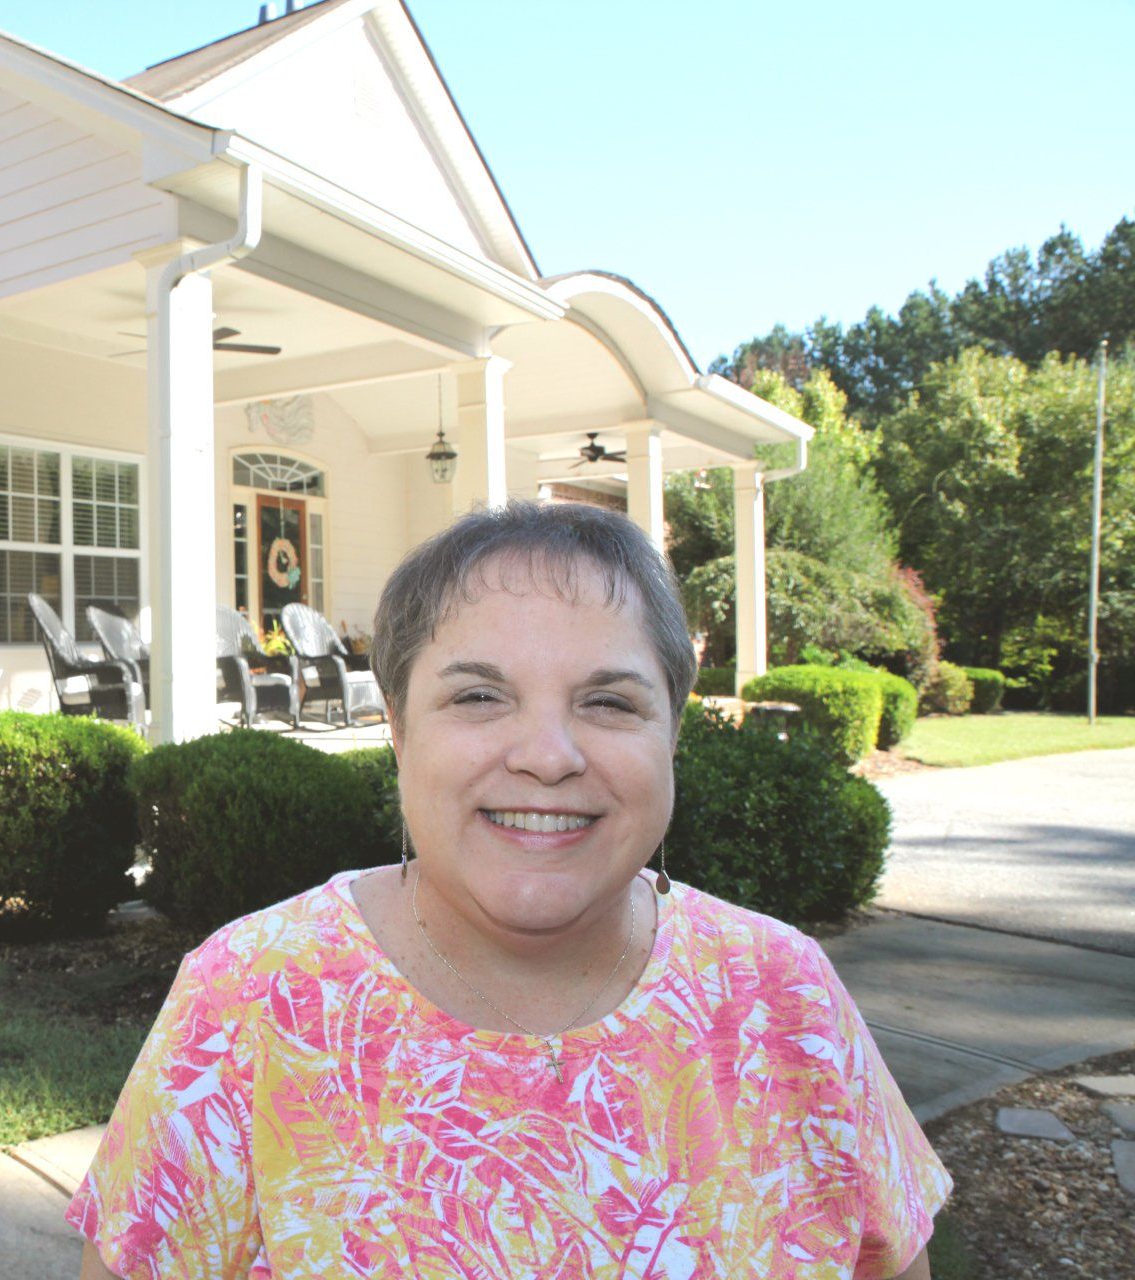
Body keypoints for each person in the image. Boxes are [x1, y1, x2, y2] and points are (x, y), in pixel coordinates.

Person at [70, 501, 950, 1279]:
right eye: (481, 696)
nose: (547, 754)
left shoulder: (786, 998)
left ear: (673, 737)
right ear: (400, 730)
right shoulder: (250, 1001)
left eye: (608, 703)